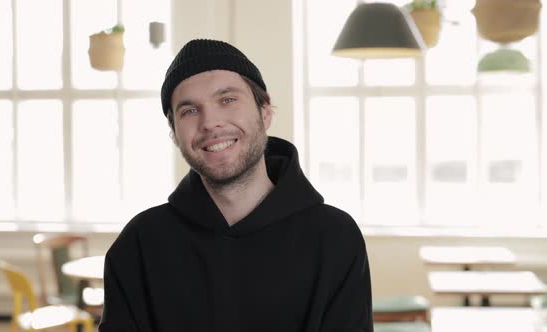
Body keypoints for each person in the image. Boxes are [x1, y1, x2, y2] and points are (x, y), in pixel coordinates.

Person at [99, 38, 373, 332]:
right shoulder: (139, 243)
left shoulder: (335, 237)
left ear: (265, 113)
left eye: (227, 100)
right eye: (189, 111)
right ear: (175, 134)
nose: (210, 122)